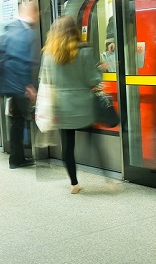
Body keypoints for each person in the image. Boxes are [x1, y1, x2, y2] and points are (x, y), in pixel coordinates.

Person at [41, 16, 102, 194]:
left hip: (62, 107)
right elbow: (93, 79)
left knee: (67, 147)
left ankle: (74, 183)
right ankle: (107, 177)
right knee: (95, 142)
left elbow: (45, 80)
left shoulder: (48, 53)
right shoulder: (84, 51)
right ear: (74, 30)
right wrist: (100, 69)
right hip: (83, 106)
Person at [0, 2, 39, 169]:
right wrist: (28, 86)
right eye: (36, 13)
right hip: (18, 85)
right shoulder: (22, 33)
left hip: (10, 84)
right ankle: (17, 158)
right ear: (30, 13)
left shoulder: (10, 29)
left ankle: (17, 157)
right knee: (20, 120)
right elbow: (22, 62)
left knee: (17, 121)